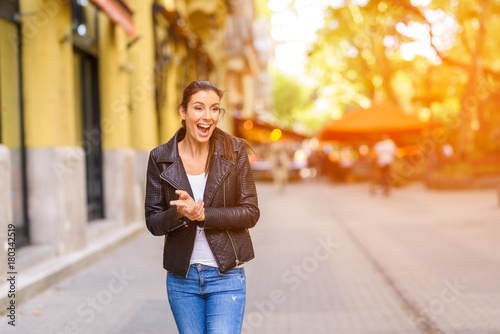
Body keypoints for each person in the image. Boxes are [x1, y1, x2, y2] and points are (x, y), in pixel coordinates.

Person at [145, 80, 260, 333]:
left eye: (214, 109)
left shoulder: (234, 152)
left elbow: (251, 212)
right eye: (199, 108)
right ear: (183, 112)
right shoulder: (160, 158)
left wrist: (204, 214)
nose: (207, 116)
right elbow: (153, 222)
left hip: (226, 276)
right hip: (181, 280)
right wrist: (178, 213)